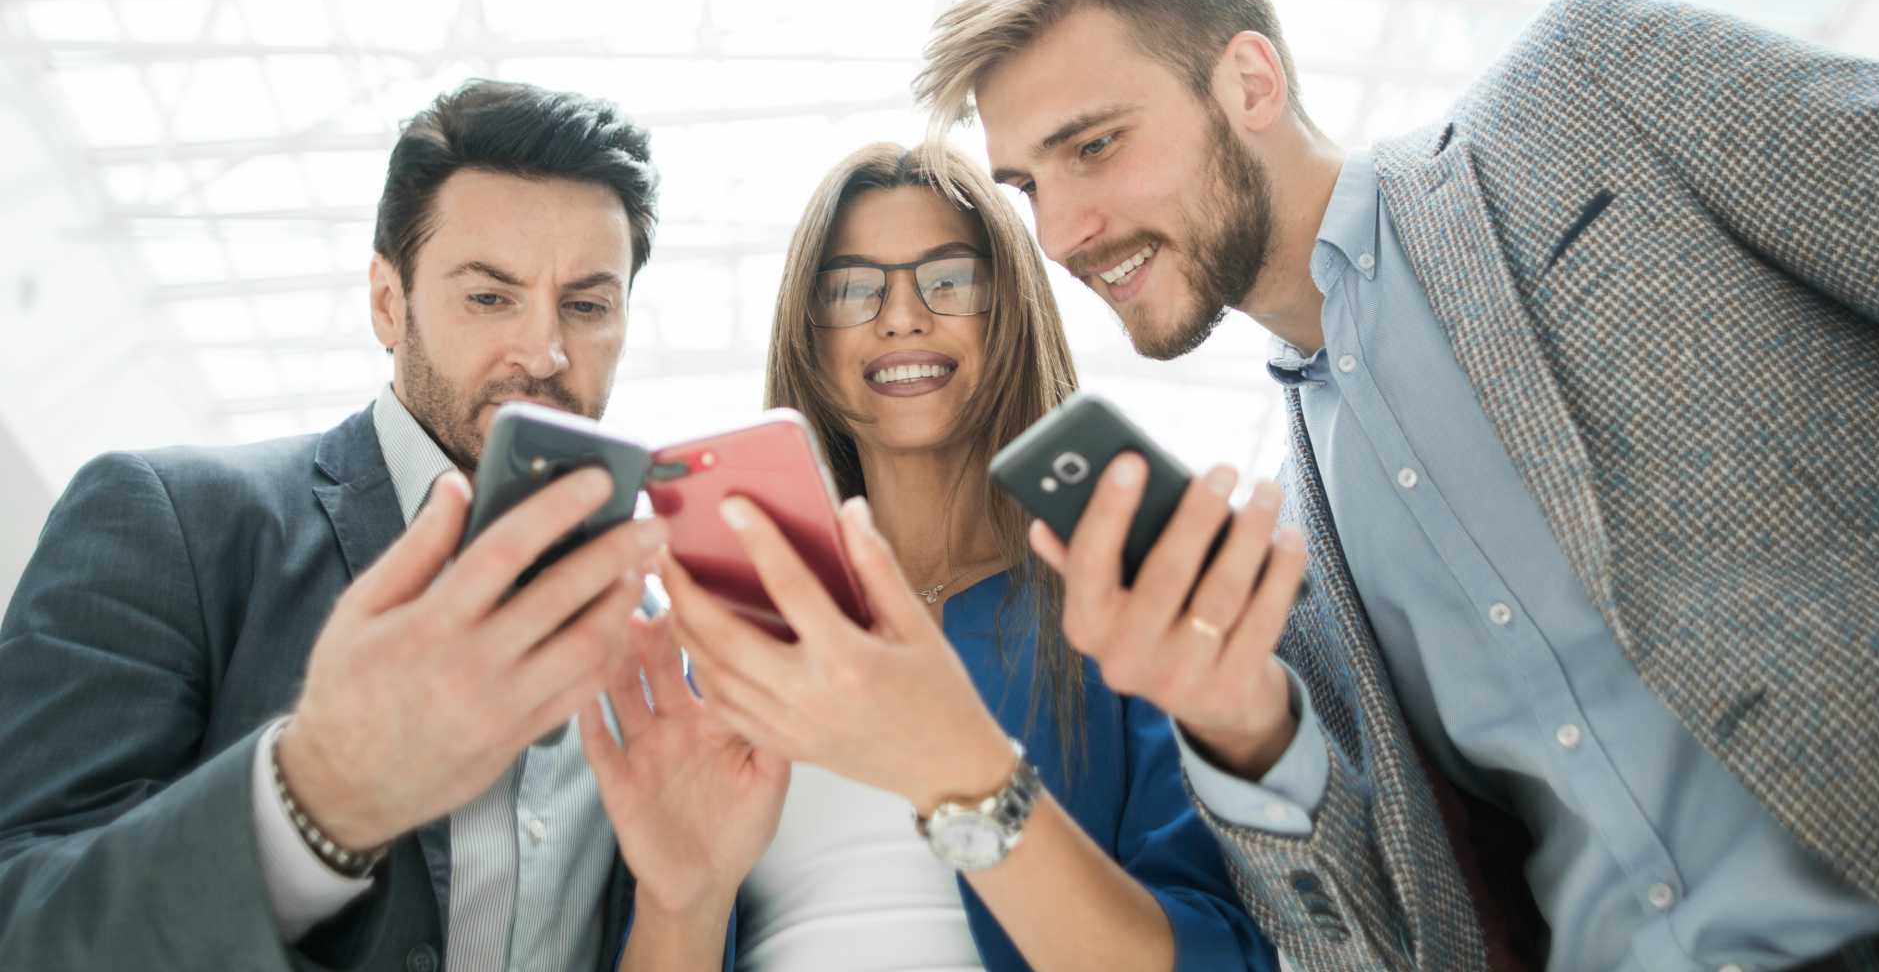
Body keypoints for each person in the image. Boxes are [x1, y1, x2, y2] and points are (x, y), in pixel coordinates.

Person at [911, 0, 1879, 972]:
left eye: (1095, 146)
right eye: (1030, 186)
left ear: (1251, 83)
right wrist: (1241, 725)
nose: (1061, 232)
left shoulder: (1585, 92)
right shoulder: (1288, 550)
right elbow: (1382, 945)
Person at [0, 79, 667, 970]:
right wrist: (315, 800)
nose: (544, 353)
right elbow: (21, 917)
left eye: (586, 306)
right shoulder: (173, 522)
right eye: (489, 298)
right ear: (388, 304)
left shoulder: (658, 645)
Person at [578, 141, 1284, 971]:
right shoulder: (733, 647)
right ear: (809, 337)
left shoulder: (1125, 611)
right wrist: (678, 903)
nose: (901, 317)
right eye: (851, 289)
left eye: (949, 280)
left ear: (1010, 310)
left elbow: (1218, 955)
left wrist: (963, 778)